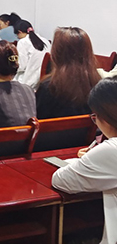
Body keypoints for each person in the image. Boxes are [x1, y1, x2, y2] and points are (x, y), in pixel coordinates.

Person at [52, 78, 117, 244]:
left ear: (106, 116)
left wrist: (90, 159)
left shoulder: (111, 150)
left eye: (95, 117)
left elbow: (60, 180)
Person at [35, 27, 100, 119]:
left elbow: (39, 121)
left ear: (56, 53)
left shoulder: (50, 87)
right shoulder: (97, 84)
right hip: (89, 129)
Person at [14, 20, 50, 90]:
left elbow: (21, 66)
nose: (18, 38)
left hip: (29, 82)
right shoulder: (46, 41)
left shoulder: (23, 42)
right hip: (44, 81)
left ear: (20, 32)